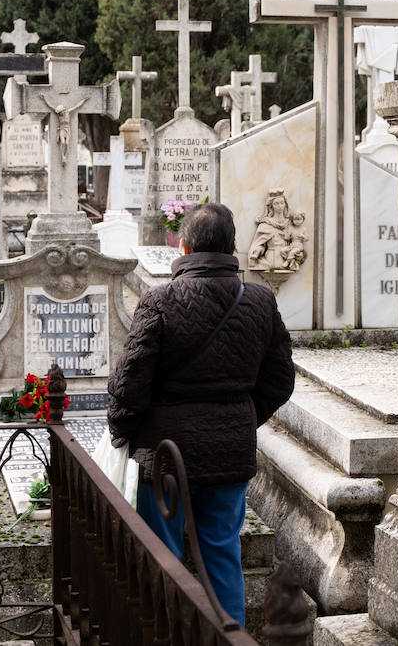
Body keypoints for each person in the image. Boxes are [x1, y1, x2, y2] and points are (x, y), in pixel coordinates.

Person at [107, 202, 294, 627]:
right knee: (222, 552)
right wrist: (241, 417)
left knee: (164, 558)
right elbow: (280, 381)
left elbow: (129, 383)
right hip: (229, 452)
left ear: (184, 245)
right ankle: (230, 637)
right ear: (231, 246)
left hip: (167, 455)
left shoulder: (159, 300)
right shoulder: (261, 301)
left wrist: (124, 430)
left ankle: (166, 634)